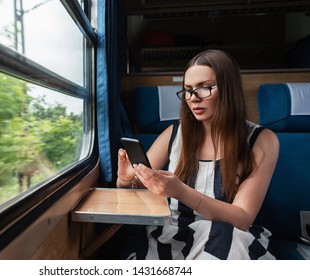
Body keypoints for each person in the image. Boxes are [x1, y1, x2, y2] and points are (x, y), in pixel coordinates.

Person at [116, 49, 279, 260]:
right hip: (172, 237)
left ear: (229, 89)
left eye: (205, 88)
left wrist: (181, 191)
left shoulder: (262, 140)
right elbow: (136, 187)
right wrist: (126, 179)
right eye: (188, 90)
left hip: (230, 238)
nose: (193, 98)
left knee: (225, 238)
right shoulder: (174, 134)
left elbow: (242, 219)